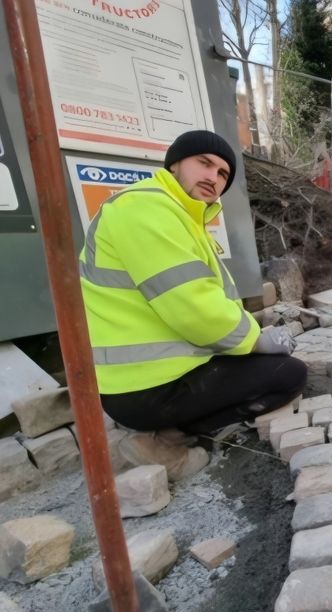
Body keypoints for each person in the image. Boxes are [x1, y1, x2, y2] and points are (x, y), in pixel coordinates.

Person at [79, 130, 308, 472]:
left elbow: (208, 299)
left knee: (270, 368)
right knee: (288, 375)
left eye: (222, 174)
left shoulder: (178, 215)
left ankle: (174, 428)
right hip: (146, 389)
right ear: (174, 164)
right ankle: (171, 439)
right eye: (204, 163)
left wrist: (250, 336)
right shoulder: (145, 209)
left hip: (156, 376)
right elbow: (194, 309)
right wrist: (255, 340)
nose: (213, 178)